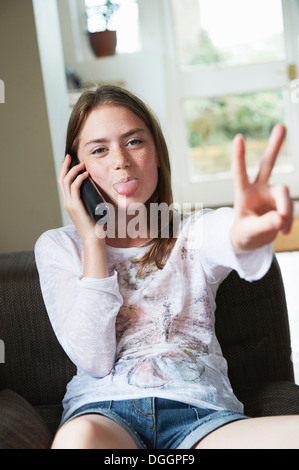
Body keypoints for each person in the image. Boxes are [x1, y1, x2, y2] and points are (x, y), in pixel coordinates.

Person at [35, 85, 297, 449]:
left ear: (156, 153)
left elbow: (227, 233)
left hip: (202, 415)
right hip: (104, 415)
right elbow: (94, 359)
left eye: (134, 142)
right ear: (76, 173)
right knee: (77, 440)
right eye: (99, 150)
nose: (120, 161)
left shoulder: (192, 232)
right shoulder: (58, 246)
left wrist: (245, 229)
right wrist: (93, 238)